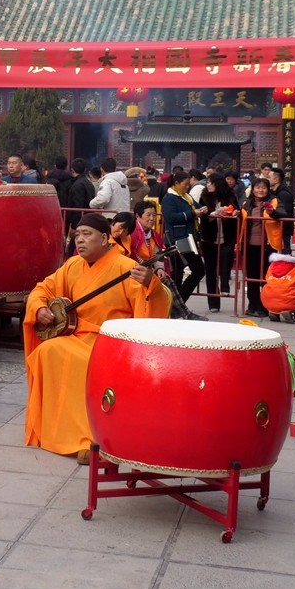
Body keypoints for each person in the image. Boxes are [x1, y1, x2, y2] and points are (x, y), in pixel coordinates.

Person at [23, 213, 170, 462]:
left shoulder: (126, 267)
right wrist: (39, 308)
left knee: (81, 362)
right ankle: (54, 429)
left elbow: (156, 304)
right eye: (77, 235)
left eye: (86, 234)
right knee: (47, 351)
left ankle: (90, 438)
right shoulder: (72, 266)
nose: (79, 240)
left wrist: (151, 285)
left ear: (104, 239)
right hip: (77, 335)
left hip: (111, 342)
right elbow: (43, 289)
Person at [238, 177, 286, 318]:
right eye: (257, 187)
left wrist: (272, 212)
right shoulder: (247, 203)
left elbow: (284, 215)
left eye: (263, 187)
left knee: (266, 278)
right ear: (252, 189)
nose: (260, 190)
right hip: (249, 245)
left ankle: (264, 307)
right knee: (251, 277)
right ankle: (252, 305)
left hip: (268, 245)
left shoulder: (274, 201)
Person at [159, 170, 206, 300]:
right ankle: (176, 303)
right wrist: (192, 214)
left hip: (188, 239)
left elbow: (196, 207)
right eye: (185, 184)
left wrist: (204, 209)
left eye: (188, 184)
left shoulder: (187, 197)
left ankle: (177, 301)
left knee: (198, 270)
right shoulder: (169, 198)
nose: (187, 187)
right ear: (176, 183)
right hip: (176, 240)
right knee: (177, 275)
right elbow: (170, 217)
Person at [198, 172, 239, 313]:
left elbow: (237, 210)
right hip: (209, 237)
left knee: (227, 257)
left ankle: (225, 284)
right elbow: (201, 214)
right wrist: (211, 214)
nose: (208, 185)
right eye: (207, 182)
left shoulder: (230, 196)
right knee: (210, 270)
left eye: (211, 182)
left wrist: (232, 213)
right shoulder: (204, 196)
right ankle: (213, 302)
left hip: (226, 236)